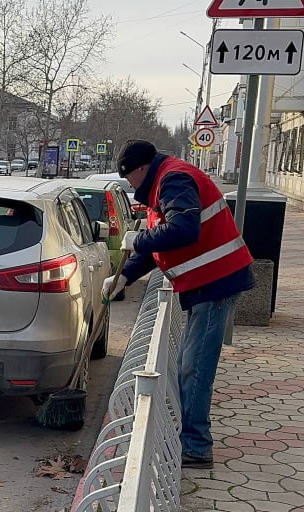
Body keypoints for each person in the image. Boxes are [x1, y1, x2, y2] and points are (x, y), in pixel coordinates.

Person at [103, 140, 254, 470]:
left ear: (142, 169)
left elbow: (182, 231)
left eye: (130, 179)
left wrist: (138, 239)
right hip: (208, 283)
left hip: (217, 282)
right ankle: (189, 438)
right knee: (188, 363)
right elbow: (161, 243)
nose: (131, 186)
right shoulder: (165, 183)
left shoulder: (174, 180)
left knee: (195, 367)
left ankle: (196, 447)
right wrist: (125, 276)